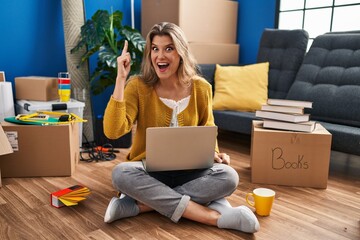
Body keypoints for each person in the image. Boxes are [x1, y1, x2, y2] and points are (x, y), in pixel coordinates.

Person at [103, 22, 260, 233]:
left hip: (192, 172)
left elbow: (208, 126)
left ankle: (142, 206)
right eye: (155, 49)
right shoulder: (138, 86)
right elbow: (113, 131)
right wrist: (120, 79)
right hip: (149, 171)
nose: (160, 56)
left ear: (181, 52)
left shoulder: (201, 88)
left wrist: (215, 154)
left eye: (169, 48)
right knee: (120, 173)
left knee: (229, 176)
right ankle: (211, 217)